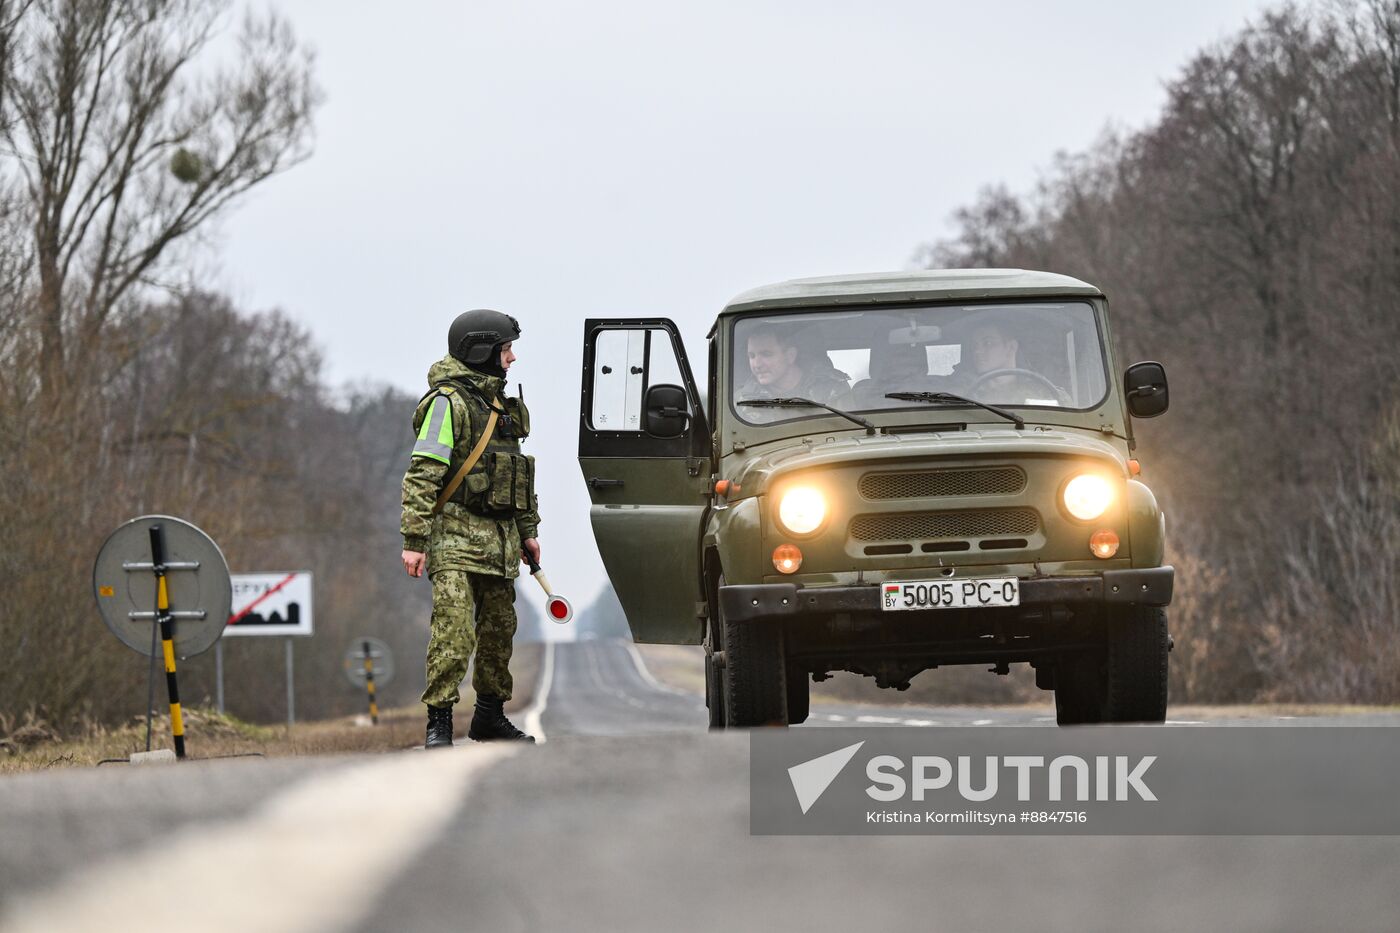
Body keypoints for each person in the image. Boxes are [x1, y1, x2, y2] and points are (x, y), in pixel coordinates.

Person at [401, 308, 541, 747]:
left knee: (499, 631)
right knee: (453, 630)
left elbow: (515, 475)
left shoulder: (501, 406)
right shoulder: (447, 404)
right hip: (454, 540)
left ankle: (489, 717)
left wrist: (528, 531)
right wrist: (415, 539)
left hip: (500, 542)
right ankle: (439, 720)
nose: (512, 358)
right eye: (505, 349)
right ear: (482, 351)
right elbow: (423, 473)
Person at [737, 324, 849, 406]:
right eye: (752, 356)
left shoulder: (831, 387)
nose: (757, 364)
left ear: (790, 356)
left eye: (766, 354)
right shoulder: (741, 401)